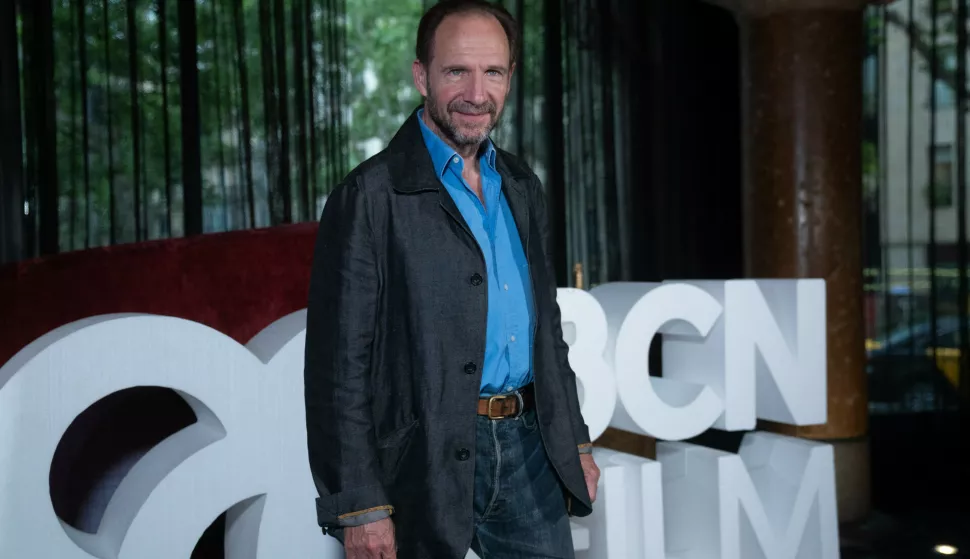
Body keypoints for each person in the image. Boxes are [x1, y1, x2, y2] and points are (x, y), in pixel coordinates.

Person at [303, 1, 599, 557]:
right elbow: (337, 369)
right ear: (421, 76)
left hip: (530, 451)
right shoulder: (369, 196)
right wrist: (359, 505)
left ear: (510, 78)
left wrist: (575, 440)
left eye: (493, 72)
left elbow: (548, 332)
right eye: (456, 71)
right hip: (423, 459)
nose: (476, 92)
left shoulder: (520, 184)